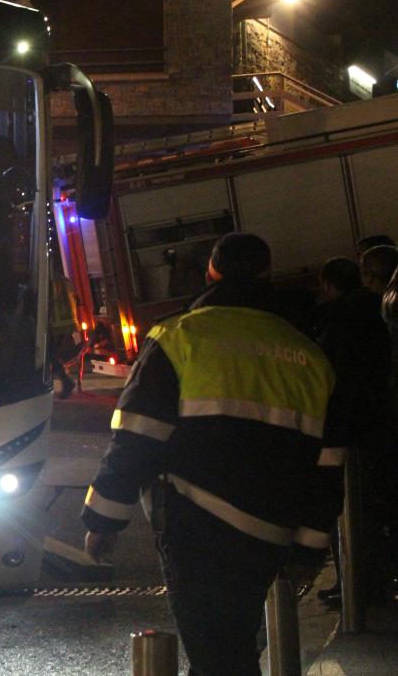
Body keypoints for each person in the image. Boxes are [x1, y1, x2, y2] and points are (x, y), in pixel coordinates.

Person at [82, 232, 341, 676]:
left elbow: (137, 437)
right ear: (266, 276)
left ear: (211, 273)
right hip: (270, 531)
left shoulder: (178, 337)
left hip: (195, 523)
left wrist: (104, 521)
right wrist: (310, 545)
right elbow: (328, 461)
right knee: (231, 645)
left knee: (219, 654)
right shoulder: (309, 356)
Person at [313, 257, 392, 604]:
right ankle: (370, 580)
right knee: (376, 506)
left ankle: (356, 585)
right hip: (380, 418)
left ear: (330, 285)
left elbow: (330, 371)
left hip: (349, 424)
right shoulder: (378, 307)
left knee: (352, 508)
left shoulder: (336, 318)